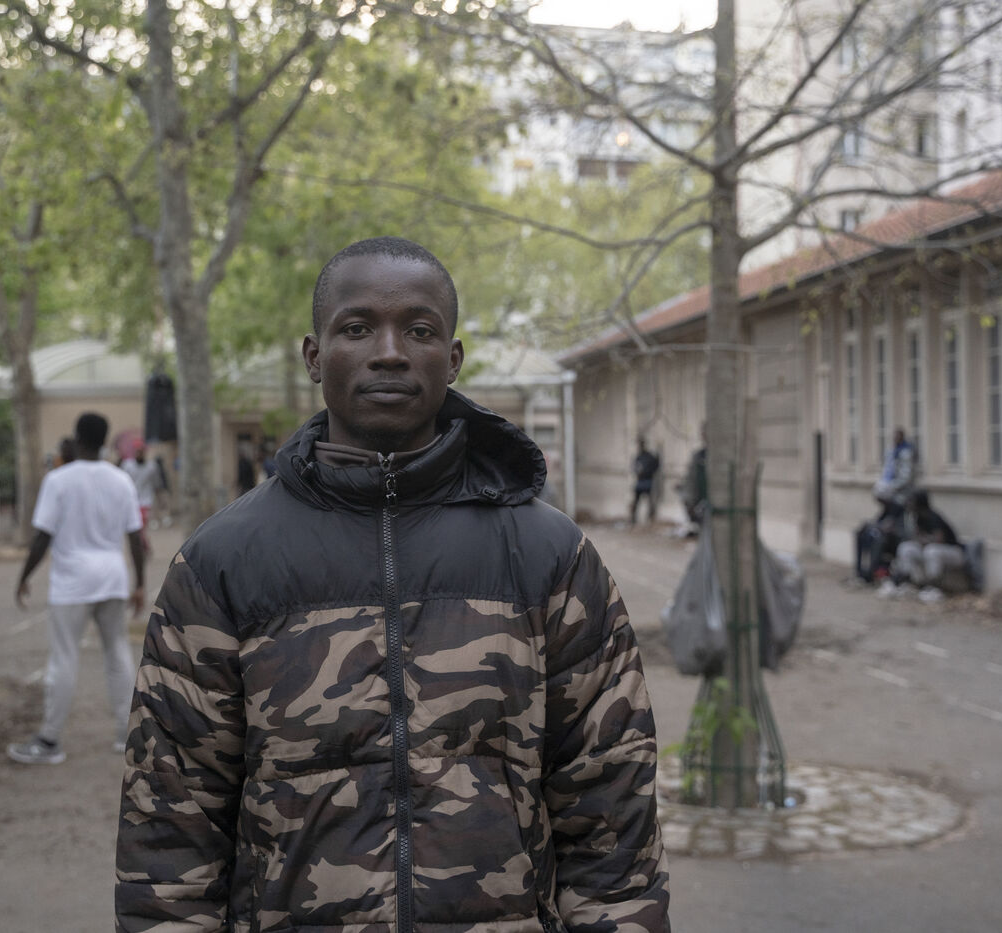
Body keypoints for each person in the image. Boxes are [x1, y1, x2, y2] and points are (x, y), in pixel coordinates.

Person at [115, 237, 669, 931]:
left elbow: (612, 811)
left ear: (453, 358)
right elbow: (170, 828)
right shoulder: (223, 563)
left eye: (419, 330)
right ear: (313, 356)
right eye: (356, 328)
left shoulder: (549, 556)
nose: (389, 352)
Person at [9, 412, 146, 765]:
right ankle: (126, 735)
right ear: (104, 440)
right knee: (117, 653)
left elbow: (42, 536)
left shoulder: (58, 480)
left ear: (76, 438)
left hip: (72, 582)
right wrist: (140, 583)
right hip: (112, 578)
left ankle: (50, 739)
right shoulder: (121, 480)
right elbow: (135, 537)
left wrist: (24, 576)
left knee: (64, 657)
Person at [885, 489, 966, 602]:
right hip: (929, 549)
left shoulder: (933, 516)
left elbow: (939, 539)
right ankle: (909, 583)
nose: (909, 504)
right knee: (906, 548)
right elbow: (918, 537)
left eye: (911, 501)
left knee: (932, 550)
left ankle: (935, 588)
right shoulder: (917, 518)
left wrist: (923, 540)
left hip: (954, 553)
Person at [120, 441, 159, 552]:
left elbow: (156, 483)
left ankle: (143, 547)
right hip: (132, 501)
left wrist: (160, 497)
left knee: (141, 526)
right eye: (137, 452)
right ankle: (145, 546)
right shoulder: (127, 466)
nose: (139, 454)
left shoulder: (151, 467)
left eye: (141, 452)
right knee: (137, 527)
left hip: (146, 500)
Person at [872, 427, 917, 511]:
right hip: (891, 490)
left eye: (897, 437)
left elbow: (906, 476)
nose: (894, 439)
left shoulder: (905, 453)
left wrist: (891, 487)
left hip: (901, 492)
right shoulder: (892, 451)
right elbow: (887, 469)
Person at [630, 435, 661, 526]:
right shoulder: (638, 457)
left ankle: (650, 519)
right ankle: (633, 519)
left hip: (648, 482)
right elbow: (635, 468)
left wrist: (647, 472)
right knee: (636, 501)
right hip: (640, 482)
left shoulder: (649, 457)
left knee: (650, 502)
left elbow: (656, 466)